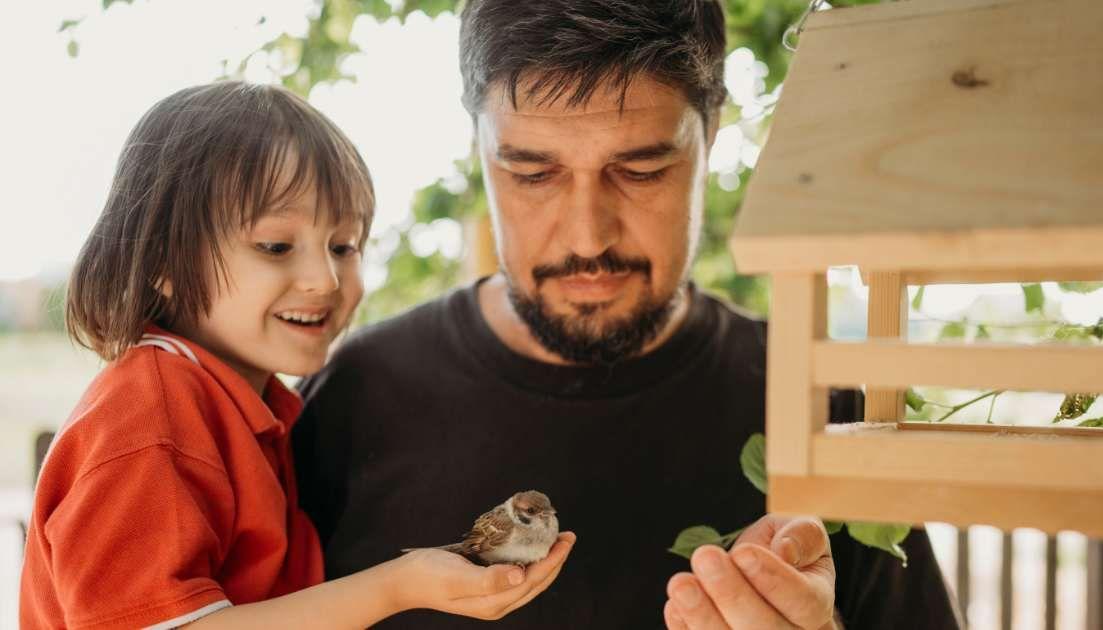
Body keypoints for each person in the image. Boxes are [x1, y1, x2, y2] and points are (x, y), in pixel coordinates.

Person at [294, 0, 960, 627]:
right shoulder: (351, 401)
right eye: (533, 173)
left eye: (641, 170)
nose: (588, 237)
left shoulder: (831, 408)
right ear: (479, 146)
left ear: (712, 134)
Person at [21, 81, 571, 629]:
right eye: (276, 246)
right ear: (164, 261)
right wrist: (395, 587)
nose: (324, 279)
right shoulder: (149, 419)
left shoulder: (248, 405)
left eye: (343, 246)